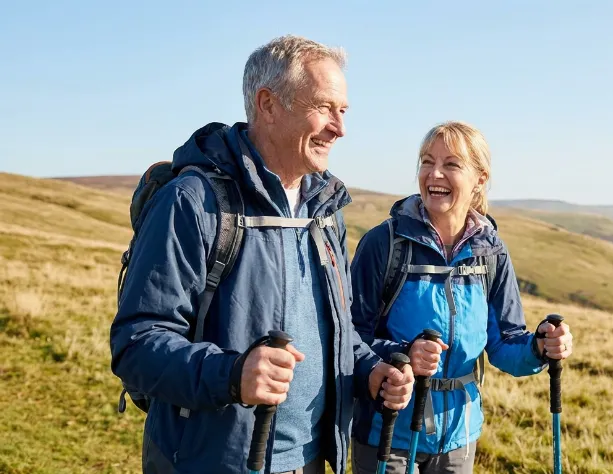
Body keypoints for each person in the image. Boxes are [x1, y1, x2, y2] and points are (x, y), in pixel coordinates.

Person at [109, 35, 414, 474]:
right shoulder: (192, 202)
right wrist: (233, 375)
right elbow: (137, 343)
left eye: (343, 111)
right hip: (210, 462)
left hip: (310, 459)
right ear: (268, 105)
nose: (339, 128)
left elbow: (338, 331)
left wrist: (370, 370)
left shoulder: (325, 211)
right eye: (324, 107)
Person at [347, 121, 574, 473]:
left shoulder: (490, 251)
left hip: (459, 439)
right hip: (388, 433)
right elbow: (350, 338)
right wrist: (402, 353)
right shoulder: (385, 244)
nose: (434, 174)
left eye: (451, 164)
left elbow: (505, 342)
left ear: (479, 179)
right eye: (427, 161)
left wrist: (539, 348)